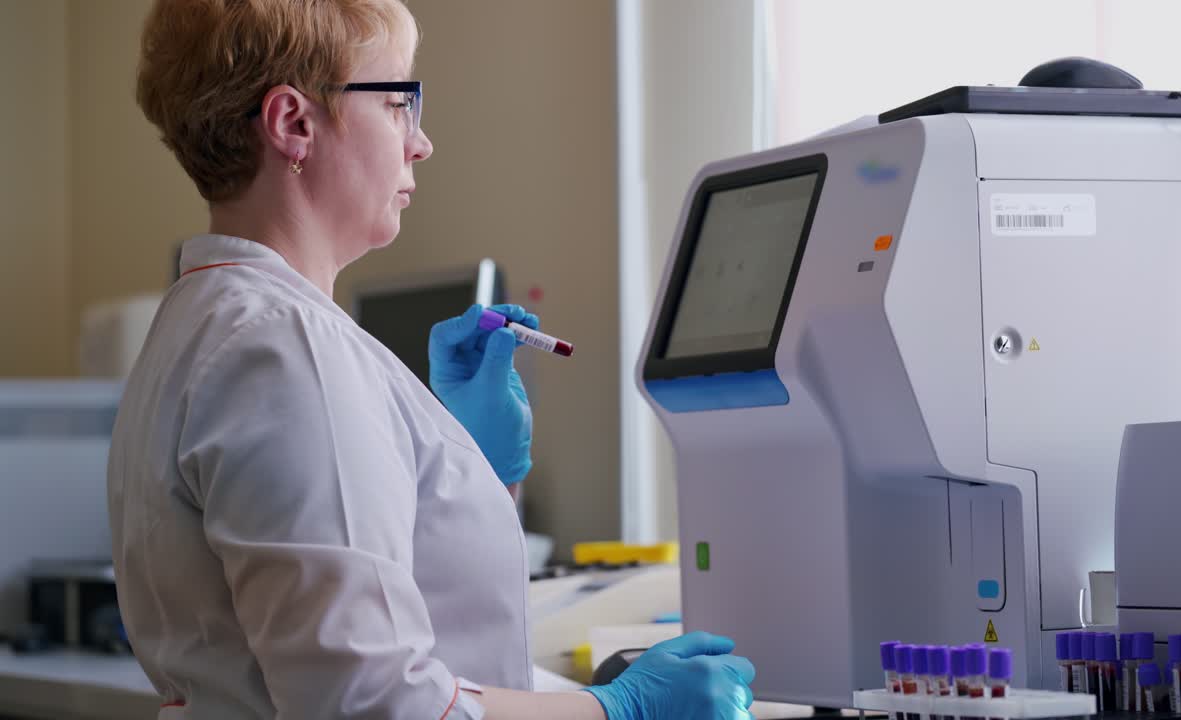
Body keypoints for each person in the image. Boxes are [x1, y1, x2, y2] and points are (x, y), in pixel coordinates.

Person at [108, 1, 756, 718]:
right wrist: (621, 710)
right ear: (294, 123)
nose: (421, 143)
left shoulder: (207, 318)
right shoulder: (287, 346)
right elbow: (375, 704)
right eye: (396, 103)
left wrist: (467, 463)